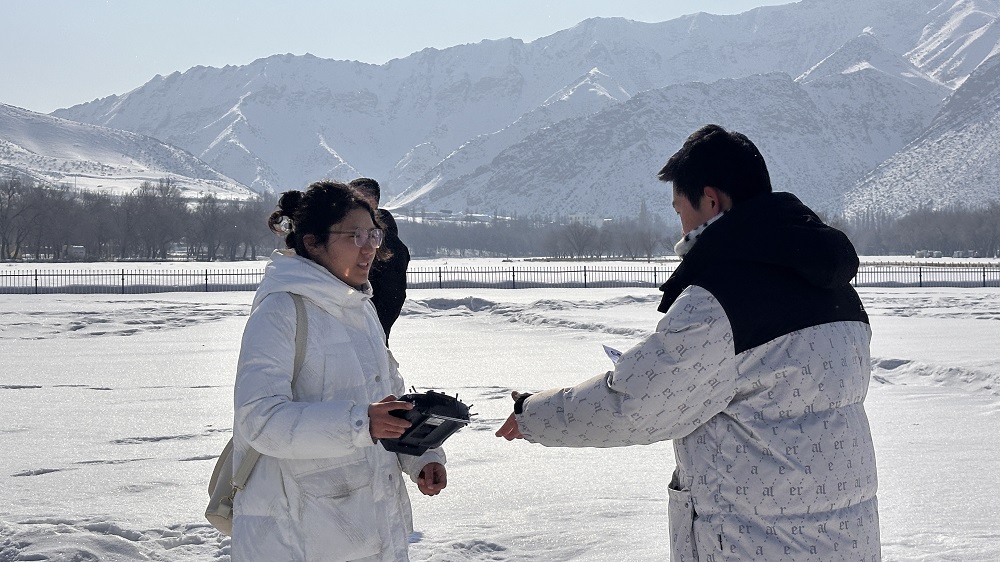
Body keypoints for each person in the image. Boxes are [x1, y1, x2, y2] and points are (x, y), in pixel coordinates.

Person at [496, 124, 880, 561]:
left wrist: (533, 414)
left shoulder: (723, 298)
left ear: (710, 201)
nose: (679, 226)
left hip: (754, 546)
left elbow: (634, 406)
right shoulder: (837, 293)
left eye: (680, 210)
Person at [231, 180, 447, 562]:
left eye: (373, 234)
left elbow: (386, 403)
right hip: (298, 537)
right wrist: (360, 423)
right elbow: (259, 419)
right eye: (355, 236)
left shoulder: (360, 308)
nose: (370, 248)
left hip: (372, 528)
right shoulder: (281, 310)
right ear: (313, 242)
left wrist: (422, 456)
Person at [349, 177, 411, 343]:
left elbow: (392, 295)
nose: (355, 204)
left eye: (361, 198)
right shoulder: (351, 236)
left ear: (374, 201)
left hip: (370, 333)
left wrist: (375, 329)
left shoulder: (389, 244)